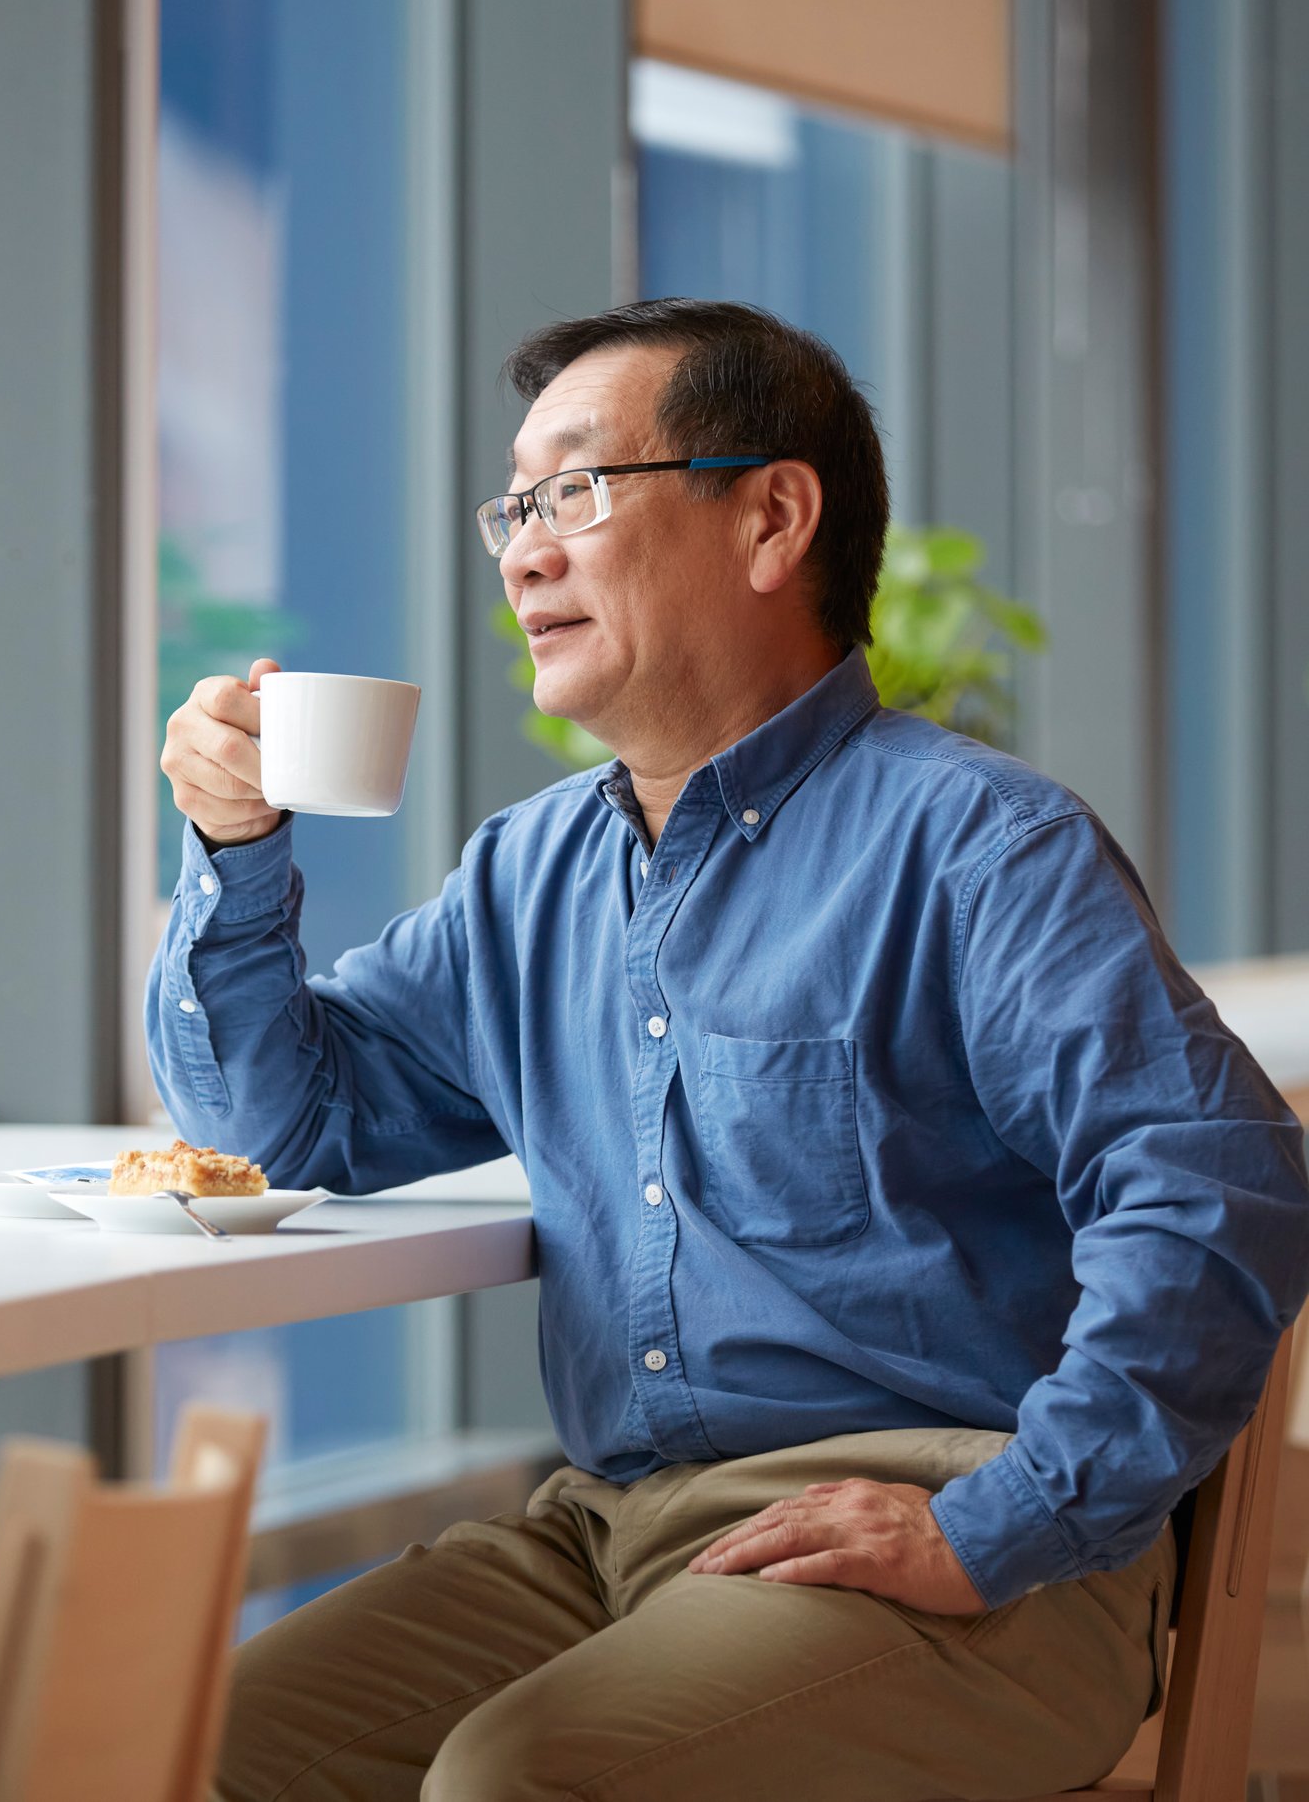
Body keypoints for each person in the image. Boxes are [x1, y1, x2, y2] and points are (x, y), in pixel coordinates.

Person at [152, 299, 1309, 1802]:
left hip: (954, 1537)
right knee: (184, 1748)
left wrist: (1003, 1520)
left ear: (772, 518)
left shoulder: (978, 845)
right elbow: (288, 1124)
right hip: (610, 1526)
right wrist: (232, 851)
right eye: (514, 504)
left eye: (575, 489)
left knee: (522, 1778)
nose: (520, 549)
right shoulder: (531, 873)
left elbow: (1217, 1191)